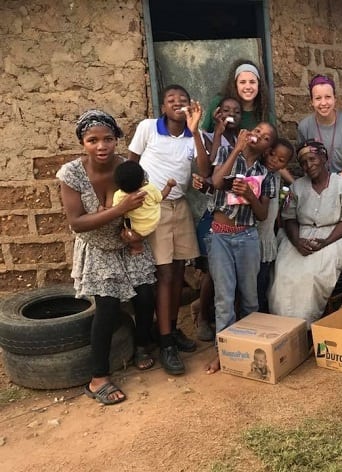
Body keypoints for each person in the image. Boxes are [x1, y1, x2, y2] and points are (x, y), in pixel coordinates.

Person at [57, 110, 157, 405]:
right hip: (98, 249)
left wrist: (138, 234)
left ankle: (141, 346)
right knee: (108, 308)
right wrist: (119, 209)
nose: (101, 146)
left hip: (130, 245)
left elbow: (148, 206)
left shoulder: (129, 170)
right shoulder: (72, 174)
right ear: (82, 143)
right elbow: (76, 222)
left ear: (117, 140)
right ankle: (98, 377)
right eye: (93, 140)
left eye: (108, 139)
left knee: (145, 298)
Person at [128, 84, 207, 375]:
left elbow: (204, 169)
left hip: (180, 206)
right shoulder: (148, 128)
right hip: (154, 208)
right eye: (171, 100)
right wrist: (129, 207)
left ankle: (171, 329)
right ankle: (164, 343)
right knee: (164, 274)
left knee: (177, 273)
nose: (177, 104)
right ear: (162, 107)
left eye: (183, 100)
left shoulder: (191, 137)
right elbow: (130, 167)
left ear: (191, 107)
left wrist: (195, 129)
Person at [203, 122, 278, 374]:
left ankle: (249, 351)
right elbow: (214, 181)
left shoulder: (265, 174)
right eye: (257, 131)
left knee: (250, 298)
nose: (259, 137)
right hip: (220, 237)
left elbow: (262, 214)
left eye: (266, 137)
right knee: (224, 298)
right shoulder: (226, 153)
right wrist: (236, 149)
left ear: (268, 147)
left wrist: (249, 194)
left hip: (247, 237)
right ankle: (223, 353)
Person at [268, 141, 342, 328]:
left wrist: (325, 242)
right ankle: (284, 328)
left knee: (311, 275)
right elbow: (290, 219)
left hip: (335, 237)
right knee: (284, 274)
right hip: (300, 236)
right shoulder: (297, 187)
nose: (308, 165)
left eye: (312, 159)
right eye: (303, 162)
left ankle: (306, 326)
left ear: (324, 158)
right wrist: (297, 241)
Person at [191, 96, 243, 342]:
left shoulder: (242, 138)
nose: (230, 114)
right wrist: (218, 132)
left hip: (238, 212)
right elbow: (207, 170)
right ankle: (202, 315)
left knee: (232, 269)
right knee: (214, 270)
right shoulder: (209, 137)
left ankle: (224, 314)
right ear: (216, 113)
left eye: (236, 111)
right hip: (216, 210)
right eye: (225, 110)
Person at [257, 138, 295, 313]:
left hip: (267, 237)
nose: (274, 160)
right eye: (272, 155)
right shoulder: (257, 172)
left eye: (281, 160)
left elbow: (275, 204)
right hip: (253, 238)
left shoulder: (277, 175)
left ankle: (261, 314)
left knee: (263, 279)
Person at [297, 74, 342, 178]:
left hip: (341, 179)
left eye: (328, 97)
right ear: (311, 101)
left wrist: (339, 181)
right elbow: (303, 160)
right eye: (318, 98)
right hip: (314, 181)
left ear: (335, 99)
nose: (323, 103)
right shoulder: (304, 127)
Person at [111, 160, 176, 254]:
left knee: (126, 234)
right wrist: (169, 186)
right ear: (142, 180)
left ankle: (137, 247)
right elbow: (162, 196)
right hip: (153, 222)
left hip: (138, 230)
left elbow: (116, 211)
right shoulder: (149, 189)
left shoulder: (119, 195)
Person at [200, 59, 270, 133]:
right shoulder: (219, 103)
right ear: (235, 85)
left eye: (252, 82)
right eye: (242, 82)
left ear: (259, 85)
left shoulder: (264, 113)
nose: (248, 87)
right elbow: (204, 133)